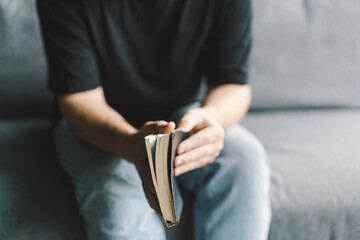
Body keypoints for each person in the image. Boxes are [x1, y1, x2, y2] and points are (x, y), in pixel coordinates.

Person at [37, 0, 271, 239]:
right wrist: (129, 144)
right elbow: (79, 100)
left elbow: (232, 85)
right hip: (93, 121)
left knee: (245, 158)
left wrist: (210, 117)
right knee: (118, 196)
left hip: (181, 113)